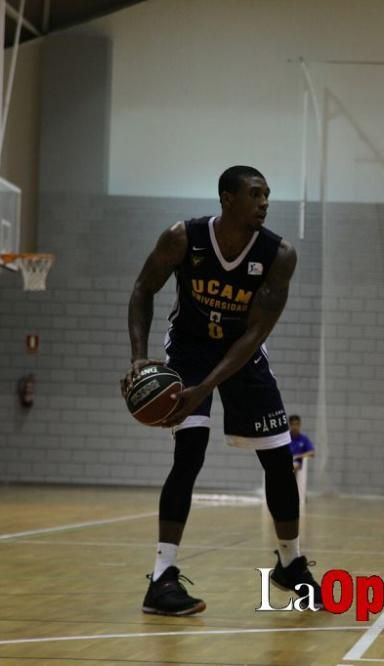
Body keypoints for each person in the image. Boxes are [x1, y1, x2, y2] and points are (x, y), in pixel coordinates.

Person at [124, 165, 322, 616]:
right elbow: (142, 288)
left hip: (242, 353)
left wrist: (206, 388)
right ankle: (161, 578)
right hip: (190, 349)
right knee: (188, 453)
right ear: (227, 198)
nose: (265, 202)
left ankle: (290, 564)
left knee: (278, 459)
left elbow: (255, 332)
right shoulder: (182, 238)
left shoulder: (279, 254)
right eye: (255, 194)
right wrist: (139, 358)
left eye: (268, 194)